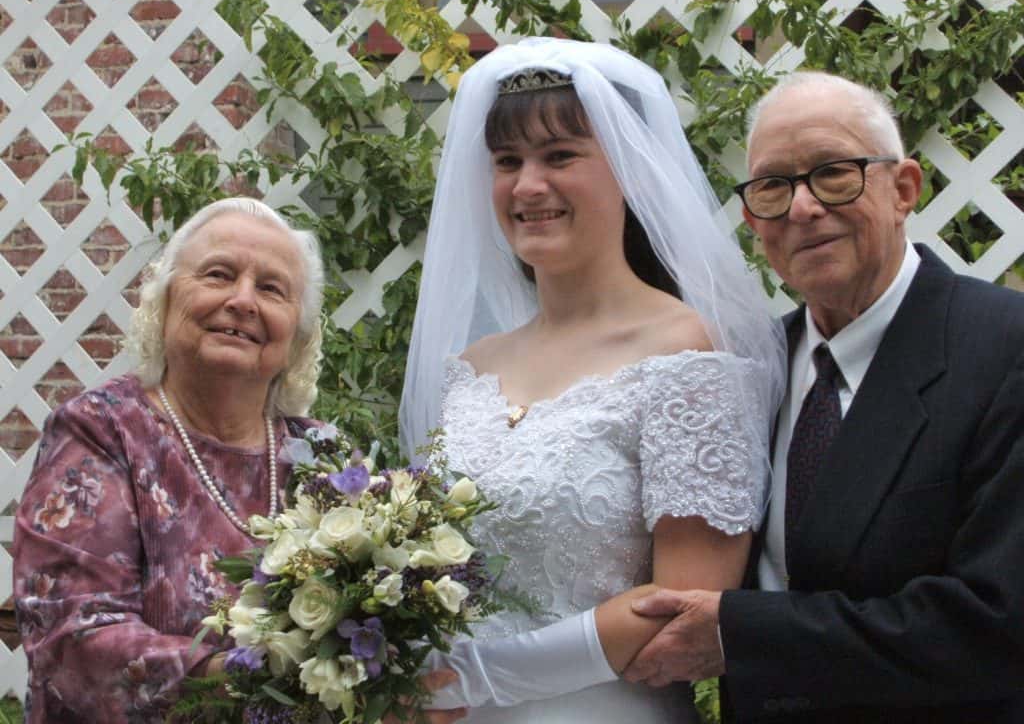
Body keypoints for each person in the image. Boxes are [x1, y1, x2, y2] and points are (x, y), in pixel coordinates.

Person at [398, 37, 787, 723]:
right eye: (508, 162)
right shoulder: (473, 368)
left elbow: (681, 609)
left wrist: (470, 678)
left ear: (632, 171)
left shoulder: (687, 356)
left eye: (560, 156)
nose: (527, 186)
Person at [623, 71, 1024, 722]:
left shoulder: (1003, 350)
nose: (803, 208)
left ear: (904, 189)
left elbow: (996, 624)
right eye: (774, 187)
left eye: (833, 173)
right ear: (754, 220)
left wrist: (740, 632)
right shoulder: (750, 372)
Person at [12, 198, 327, 722]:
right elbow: (71, 636)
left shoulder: (323, 457)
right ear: (165, 300)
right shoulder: (101, 430)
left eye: (272, 289)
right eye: (218, 274)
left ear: (297, 335)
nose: (243, 300)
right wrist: (252, 677)